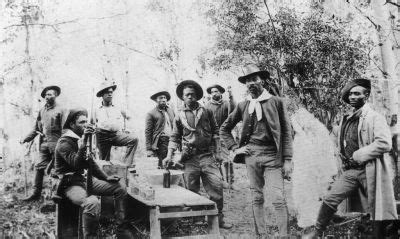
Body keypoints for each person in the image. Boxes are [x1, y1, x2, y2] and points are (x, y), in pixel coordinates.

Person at [304, 78, 397, 238]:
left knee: (377, 207)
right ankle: (317, 231)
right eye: (350, 94)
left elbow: (384, 143)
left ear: (366, 96)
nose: (352, 97)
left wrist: (359, 154)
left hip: (370, 169)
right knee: (331, 198)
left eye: (356, 94)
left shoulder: (375, 117)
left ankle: (378, 236)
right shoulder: (347, 118)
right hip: (351, 171)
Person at [220, 64, 293, 237]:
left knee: (278, 198)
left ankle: (284, 235)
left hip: (272, 156)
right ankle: (261, 234)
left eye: (254, 79)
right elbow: (224, 128)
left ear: (262, 80)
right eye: (247, 81)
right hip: (251, 155)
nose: (251, 83)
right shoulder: (243, 105)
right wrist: (235, 148)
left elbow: (286, 131)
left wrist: (288, 159)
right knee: (257, 197)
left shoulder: (277, 102)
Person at [163, 80, 233, 229]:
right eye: (187, 95)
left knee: (216, 187)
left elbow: (215, 131)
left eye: (193, 95)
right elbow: (175, 137)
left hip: (207, 156)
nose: (190, 97)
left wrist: (218, 152)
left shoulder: (206, 111)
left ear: (197, 96)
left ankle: (218, 219)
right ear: (182, 97)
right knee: (191, 191)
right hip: (189, 158)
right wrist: (169, 155)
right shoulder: (179, 115)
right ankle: (195, 219)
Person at [54, 108, 133, 238]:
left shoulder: (79, 140)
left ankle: (121, 229)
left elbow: (90, 163)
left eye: (86, 121)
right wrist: (85, 141)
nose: (85, 125)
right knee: (92, 202)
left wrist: (106, 177)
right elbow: (77, 163)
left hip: (82, 180)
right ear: (72, 125)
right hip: (68, 184)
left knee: (120, 188)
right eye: (81, 122)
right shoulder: (64, 142)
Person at [20, 85, 67, 201]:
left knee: (57, 171)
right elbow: (36, 129)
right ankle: (36, 194)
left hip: (57, 145)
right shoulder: (42, 111)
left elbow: (65, 130)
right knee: (39, 167)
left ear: (55, 96)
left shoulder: (61, 110)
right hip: (44, 145)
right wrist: (25, 139)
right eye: (46, 94)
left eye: (50, 94)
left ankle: (55, 197)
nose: (47, 96)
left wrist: (64, 145)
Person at [94, 81, 138, 167]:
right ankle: (105, 177)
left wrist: (128, 129)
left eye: (111, 92)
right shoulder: (96, 109)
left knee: (134, 139)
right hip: (102, 137)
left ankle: (126, 165)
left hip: (115, 135)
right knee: (103, 162)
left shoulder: (118, 107)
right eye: (107, 92)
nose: (110, 94)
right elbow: (91, 124)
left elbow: (130, 118)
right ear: (102, 95)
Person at [205, 84, 239, 190]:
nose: (214, 94)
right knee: (216, 160)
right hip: (212, 136)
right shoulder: (207, 106)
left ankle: (231, 182)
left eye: (216, 91)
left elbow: (233, 110)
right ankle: (221, 181)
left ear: (220, 93)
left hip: (224, 135)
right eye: (212, 92)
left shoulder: (226, 104)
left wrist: (231, 95)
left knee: (227, 160)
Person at [145, 90, 175, 168]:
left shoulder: (171, 111)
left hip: (172, 140)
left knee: (173, 163)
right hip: (161, 141)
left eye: (165, 98)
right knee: (164, 165)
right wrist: (148, 148)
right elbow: (148, 131)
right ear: (156, 100)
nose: (163, 99)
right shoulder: (151, 113)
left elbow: (175, 125)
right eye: (161, 98)